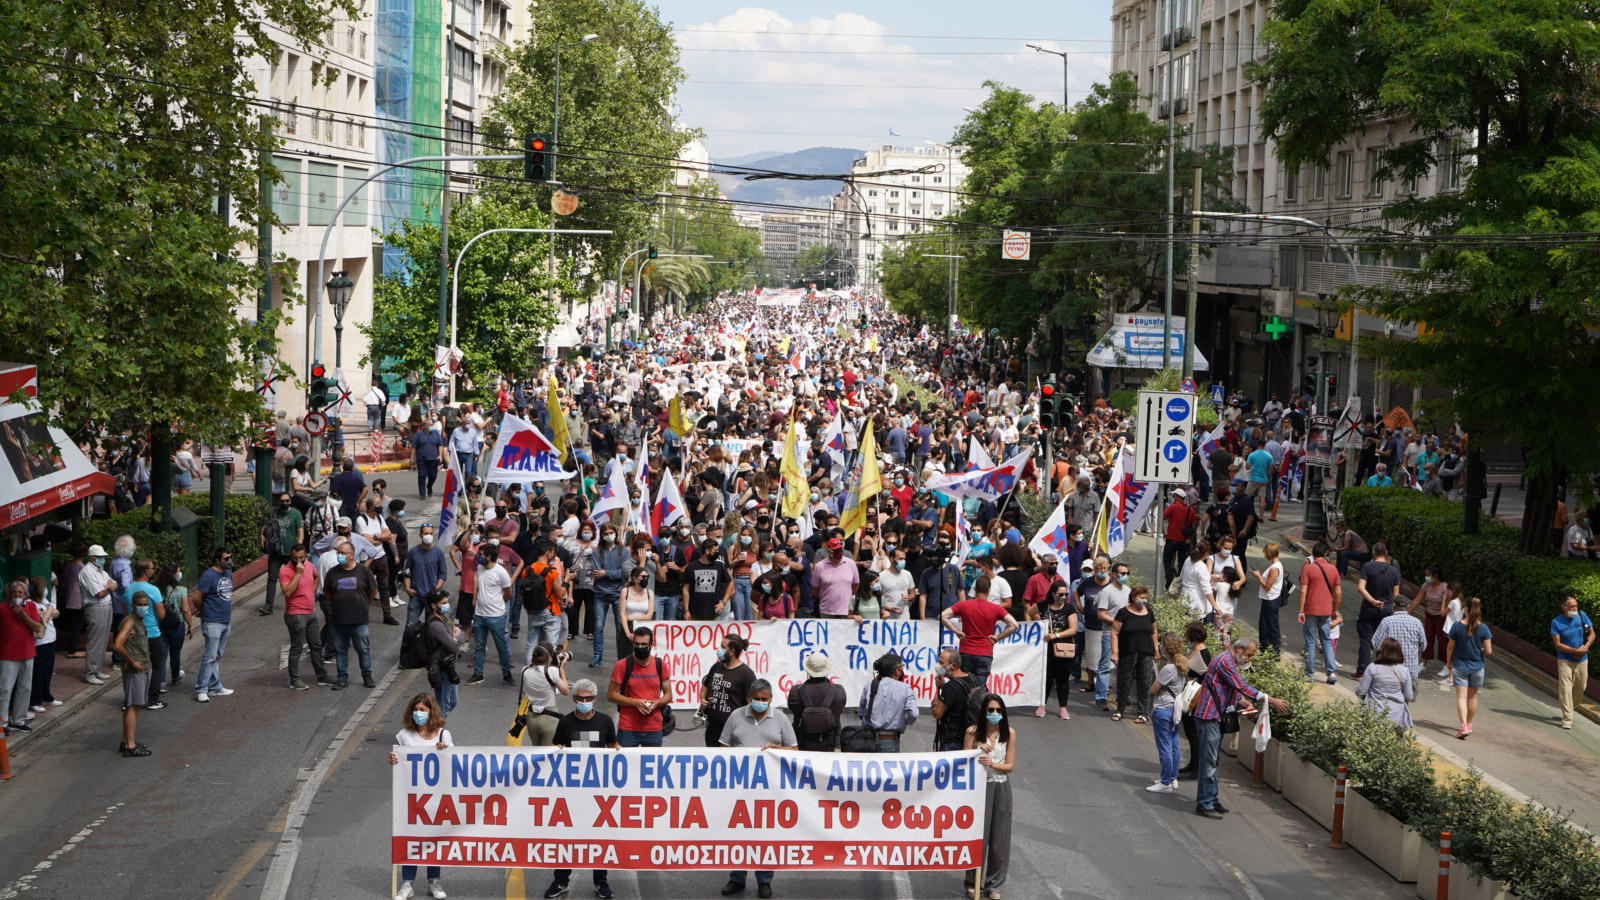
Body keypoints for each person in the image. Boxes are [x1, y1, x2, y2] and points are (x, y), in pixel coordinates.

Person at [1192, 636, 1288, 819]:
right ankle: (1204, 803)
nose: (1249, 659)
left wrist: (1242, 702)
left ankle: (1211, 798)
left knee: (1213, 760)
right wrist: (1270, 699)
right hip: (1209, 716)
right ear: (1239, 649)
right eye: (1249, 655)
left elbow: (1228, 689)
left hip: (1216, 716)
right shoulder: (1225, 661)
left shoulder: (1229, 661)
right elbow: (1240, 685)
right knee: (1209, 761)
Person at [718, 678, 797, 898]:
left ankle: (764, 880)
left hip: (770, 789)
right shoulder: (736, 716)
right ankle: (737, 878)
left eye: (765, 699)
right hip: (739, 788)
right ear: (748, 698)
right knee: (738, 833)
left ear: (771, 699)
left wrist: (775, 748)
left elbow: (795, 750)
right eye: (757, 699)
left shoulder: (780, 719)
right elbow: (723, 749)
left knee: (765, 835)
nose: (761, 702)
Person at [542, 678, 619, 900]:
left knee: (599, 838)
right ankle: (561, 880)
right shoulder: (565, 723)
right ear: (574, 699)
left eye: (589, 698)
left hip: (598, 792)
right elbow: (556, 747)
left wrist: (619, 751)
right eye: (580, 698)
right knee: (567, 837)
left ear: (595, 699)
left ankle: (601, 881)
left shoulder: (605, 722)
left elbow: (612, 746)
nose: (584, 701)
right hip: (571, 792)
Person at [387, 694, 452, 900]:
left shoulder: (444, 735)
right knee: (411, 839)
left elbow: (456, 764)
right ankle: (408, 883)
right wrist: (393, 759)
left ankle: (434, 881)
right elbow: (400, 762)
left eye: (423, 710)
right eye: (416, 709)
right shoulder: (403, 736)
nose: (418, 714)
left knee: (434, 839)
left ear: (431, 712)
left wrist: (445, 751)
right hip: (412, 797)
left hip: (437, 797)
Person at [963, 694, 1016, 900]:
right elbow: (963, 760)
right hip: (978, 789)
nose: (994, 714)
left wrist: (992, 763)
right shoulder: (973, 732)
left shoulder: (1009, 734)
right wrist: (978, 751)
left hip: (1001, 787)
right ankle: (972, 882)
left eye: (998, 711)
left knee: (999, 838)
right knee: (978, 837)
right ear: (983, 711)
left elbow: (1009, 766)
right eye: (990, 710)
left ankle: (994, 885)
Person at [323, 540, 378, 689]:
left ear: (352, 555)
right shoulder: (332, 573)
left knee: (363, 649)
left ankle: (367, 676)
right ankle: (342, 678)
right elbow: (326, 592)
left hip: (358, 619)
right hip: (338, 619)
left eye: (343, 553)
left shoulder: (364, 571)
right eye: (338, 553)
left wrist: (364, 603)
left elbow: (373, 590)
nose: (339, 555)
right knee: (341, 650)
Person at [607, 626, 673, 747]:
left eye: (643, 644)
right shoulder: (622, 665)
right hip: (628, 727)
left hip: (654, 727)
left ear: (651, 645)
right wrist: (636, 702)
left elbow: (668, 695)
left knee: (652, 764)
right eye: (637, 644)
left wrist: (656, 703)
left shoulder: (660, 665)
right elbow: (611, 695)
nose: (640, 647)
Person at [940, 585, 1020, 682]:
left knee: (962, 685)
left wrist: (957, 631)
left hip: (966, 651)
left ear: (974, 589)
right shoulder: (996, 608)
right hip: (985, 653)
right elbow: (1014, 625)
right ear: (989, 590)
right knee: (979, 691)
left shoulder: (964, 605)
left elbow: (943, 615)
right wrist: (998, 637)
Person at [278, 544, 331, 690]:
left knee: (316, 645)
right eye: (295, 558)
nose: (298, 561)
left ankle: (322, 676)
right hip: (295, 614)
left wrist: (311, 593)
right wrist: (298, 574)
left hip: (310, 612)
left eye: (301, 557)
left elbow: (316, 577)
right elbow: (287, 592)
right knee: (297, 647)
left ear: (305, 555)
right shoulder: (286, 571)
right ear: (291, 556)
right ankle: (294, 679)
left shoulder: (308, 565)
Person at [189, 548, 237, 702]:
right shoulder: (209, 576)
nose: (229, 561)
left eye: (230, 557)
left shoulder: (228, 573)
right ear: (217, 560)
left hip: (225, 620)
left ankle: (215, 687)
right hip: (212, 622)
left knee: (216, 656)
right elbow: (197, 597)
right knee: (210, 656)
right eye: (226, 558)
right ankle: (201, 689)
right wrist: (204, 611)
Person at [109, 586, 153, 755]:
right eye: (141, 604)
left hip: (141, 669)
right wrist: (132, 661)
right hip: (135, 671)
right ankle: (130, 746)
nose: (144, 607)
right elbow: (117, 645)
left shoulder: (138, 621)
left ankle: (126, 741)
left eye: (146, 604)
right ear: (133, 605)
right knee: (133, 706)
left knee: (132, 706)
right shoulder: (129, 621)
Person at [0, 579, 45, 734]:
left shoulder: (31, 606)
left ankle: (18, 720)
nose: (17, 595)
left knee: (24, 688)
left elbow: (37, 626)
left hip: (27, 653)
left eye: (20, 592)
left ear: (25, 595)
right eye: (14, 592)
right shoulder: (2, 608)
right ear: (9, 594)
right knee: (5, 690)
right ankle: (3, 722)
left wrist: (23, 615)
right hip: (7, 655)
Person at [1445, 596, 1493, 739]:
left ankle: (1463, 725)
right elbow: (1489, 651)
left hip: (1460, 665)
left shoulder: (1457, 626)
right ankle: (1470, 724)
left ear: (1465, 609)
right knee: (1472, 697)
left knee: (1461, 696)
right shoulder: (1484, 628)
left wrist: (1448, 661)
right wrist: (1479, 650)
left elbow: (1450, 646)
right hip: (1477, 666)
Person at [1146, 632, 1189, 793]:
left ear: (1165, 647)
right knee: (1173, 745)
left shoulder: (1169, 668)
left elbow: (1153, 689)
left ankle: (1165, 782)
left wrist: (1155, 689)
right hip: (1174, 709)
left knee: (1164, 747)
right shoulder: (1182, 664)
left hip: (1163, 710)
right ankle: (1172, 778)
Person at [468, 541, 515, 686]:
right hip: (480, 615)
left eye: (481, 555)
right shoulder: (480, 568)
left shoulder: (501, 572)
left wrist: (498, 604)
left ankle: (506, 674)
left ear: (488, 556)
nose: (478, 557)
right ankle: (478, 673)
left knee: (501, 647)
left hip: (496, 617)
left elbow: (508, 593)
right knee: (479, 646)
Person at [1110, 584, 1157, 723]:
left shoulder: (1149, 611)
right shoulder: (1123, 612)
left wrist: (1156, 651)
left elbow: (1154, 632)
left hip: (1146, 652)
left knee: (1145, 683)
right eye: (1141, 597)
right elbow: (1114, 633)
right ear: (1133, 598)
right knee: (1125, 682)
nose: (1144, 600)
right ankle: (1120, 710)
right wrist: (1115, 653)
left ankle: (1143, 713)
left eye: (1145, 598)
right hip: (1127, 652)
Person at [700, 633, 757, 747]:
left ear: (732, 651)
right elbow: (705, 685)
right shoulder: (716, 667)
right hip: (713, 729)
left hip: (734, 731)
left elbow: (751, 703)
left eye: (723, 647)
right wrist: (703, 699)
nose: (719, 649)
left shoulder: (746, 674)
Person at [1355, 542, 1402, 677]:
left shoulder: (1367, 567)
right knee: (1384, 642)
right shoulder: (1393, 570)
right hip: (1387, 609)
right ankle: (1380, 673)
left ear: (1373, 553)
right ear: (1386, 553)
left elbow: (1361, 588)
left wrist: (1373, 601)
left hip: (1369, 608)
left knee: (1365, 640)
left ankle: (1362, 672)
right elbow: (1396, 594)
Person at [1298, 541, 1340, 683]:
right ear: (1326, 553)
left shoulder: (1308, 569)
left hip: (1310, 609)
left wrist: (1300, 610)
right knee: (1326, 640)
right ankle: (1331, 672)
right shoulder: (1333, 569)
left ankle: (1309, 674)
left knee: (1310, 641)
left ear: (1313, 554)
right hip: (1326, 610)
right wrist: (1334, 610)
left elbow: (1303, 591)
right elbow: (1338, 593)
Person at [787, 650, 846, 752]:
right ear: (827, 670)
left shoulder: (795, 692)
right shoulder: (838, 692)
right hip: (831, 748)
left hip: (802, 747)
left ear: (807, 670)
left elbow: (795, 712)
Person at [258, 491, 305, 615]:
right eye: (282, 501)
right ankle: (269, 605)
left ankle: (298, 602)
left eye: (287, 501)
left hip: (290, 552)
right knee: (272, 578)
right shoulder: (273, 512)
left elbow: (300, 531)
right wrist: (262, 536)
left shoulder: (296, 514)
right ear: (278, 502)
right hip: (275, 551)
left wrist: (298, 547)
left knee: (297, 576)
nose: (285, 503)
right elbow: (266, 526)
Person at [1551, 596, 1593, 730]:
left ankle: (1570, 708)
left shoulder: (1582, 616)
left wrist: (1585, 648)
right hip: (1565, 659)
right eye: (1571, 606)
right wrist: (1574, 650)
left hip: (1582, 658)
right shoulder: (1556, 622)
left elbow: (1592, 634)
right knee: (1565, 687)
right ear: (1564, 608)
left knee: (1581, 686)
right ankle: (1567, 717)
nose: (1574, 609)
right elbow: (1557, 644)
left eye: (1576, 606)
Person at [1037, 581, 1078, 719]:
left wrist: (1056, 635)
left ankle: (1063, 708)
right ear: (1053, 593)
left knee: (1062, 679)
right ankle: (1042, 705)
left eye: (1066, 594)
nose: (1063, 596)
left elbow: (1073, 629)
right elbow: (1030, 613)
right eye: (1060, 594)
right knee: (1046, 678)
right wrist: (1038, 626)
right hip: (1045, 648)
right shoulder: (1044, 605)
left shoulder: (1069, 608)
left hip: (1063, 649)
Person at [517, 643, 570, 746]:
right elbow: (565, 691)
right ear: (550, 658)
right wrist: (561, 669)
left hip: (532, 718)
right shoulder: (552, 671)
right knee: (547, 754)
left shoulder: (524, 671)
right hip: (549, 718)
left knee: (536, 752)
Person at [1356, 637, 1415, 729]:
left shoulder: (1372, 668)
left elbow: (1361, 692)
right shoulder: (1405, 671)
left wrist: (1357, 690)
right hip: (1396, 716)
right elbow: (1409, 696)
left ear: (1382, 651)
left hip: (1374, 713)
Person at [78, 544, 117, 684]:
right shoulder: (87, 572)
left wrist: (107, 587)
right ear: (92, 558)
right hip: (95, 607)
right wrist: (107, 587)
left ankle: (97, 669)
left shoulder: (101, 570)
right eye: (100, 557)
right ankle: (90, 673)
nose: (102, 559)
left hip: (106, 606)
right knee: (95, 641)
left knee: (103, 639)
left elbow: (115, 585)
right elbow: (99, 593)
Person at [1371, 593, 1427, 682]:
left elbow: (1376, 644)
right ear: (1408, 606)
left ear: (1393, 606)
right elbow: (1423, 646)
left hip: (1389, 672)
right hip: (1410, 672)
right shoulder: (1417, 623)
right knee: (1410, 695)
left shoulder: (1386, 621)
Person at [932, 647, 978, 750]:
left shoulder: (950, 687)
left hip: (952, 741)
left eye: (941, 662)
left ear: (953, 665)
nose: (938, 666)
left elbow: (937, 713)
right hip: (970, 735)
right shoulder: (972, 678)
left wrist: (934, 703)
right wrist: (944, 684)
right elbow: (959, 691)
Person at [404, 523, 449, 629]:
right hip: (416, 595)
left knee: (431, 627)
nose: (428, 535)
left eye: (430, 533)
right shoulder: (413, 552)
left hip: (431, 597)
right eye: (425, 533)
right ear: (420, 535)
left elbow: (443, 574)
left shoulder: (438, 552)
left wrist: (436, 589)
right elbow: (407, 571)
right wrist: (407, 588)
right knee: (410, 626)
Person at [1251, 542, 1286, 654]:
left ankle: (1273, 650)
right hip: (1270, 598)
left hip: (1271, 599)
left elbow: (1267, 587)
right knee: (1266, 624)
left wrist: (1258, 577)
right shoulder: (1275, 565)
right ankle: (1267, 648)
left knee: (1270, 625)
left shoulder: (1274, 568)